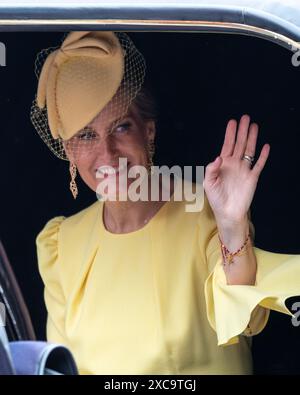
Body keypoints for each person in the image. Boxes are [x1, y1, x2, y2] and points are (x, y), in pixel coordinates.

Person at [31, 31, 300, 375]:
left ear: (149, 132)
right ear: (69, 151)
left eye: (121, 127)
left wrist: (232, 225)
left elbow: (247, 320)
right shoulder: (61, 244)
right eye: (86, 135)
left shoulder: (206, 212)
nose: (108, 154)